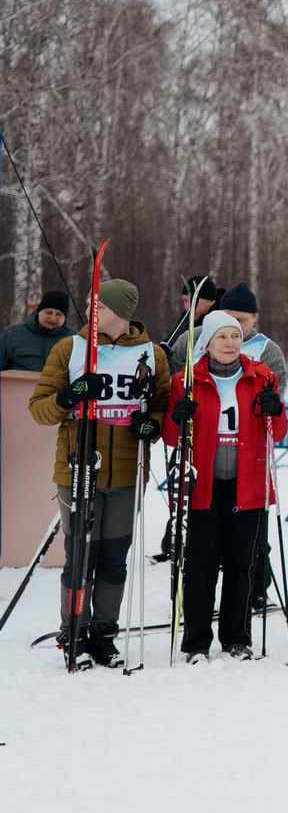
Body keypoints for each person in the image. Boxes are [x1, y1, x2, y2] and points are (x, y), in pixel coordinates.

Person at [28, 277, 169, 668]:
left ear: (123, 312)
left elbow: (162, 405)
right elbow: (39, 409)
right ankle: (73, 631)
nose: (92, 310)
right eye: (90, 302)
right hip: (78, 470)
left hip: (126, 474)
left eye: (100, 305)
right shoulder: (70, 348)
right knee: (80, 558)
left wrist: (151, 425)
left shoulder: (151, 353)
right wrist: (69, 395)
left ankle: (104, 633)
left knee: (113, 558)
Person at [162, 311, 287, 661]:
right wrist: (177, 416)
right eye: (222, 337)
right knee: (199, 564)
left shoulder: (262, 376)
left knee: (241, 564)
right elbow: (172, 439)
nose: (230, 343)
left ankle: (236, 637)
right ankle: (196, 641)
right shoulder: (186, 380)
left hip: (247, 484)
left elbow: (278, 433)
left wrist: (275, 410)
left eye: (235, 336)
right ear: (207, 343)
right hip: (203, 484)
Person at [1, 290, 70, 373]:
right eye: (48, 312)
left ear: (65, 317)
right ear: (39, 312)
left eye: (59, 314)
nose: (53, 318)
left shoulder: (76, 339)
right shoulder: (10, 335)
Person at [163, 274, 221, 361]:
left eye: (191, 300)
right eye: (185, 301)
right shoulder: (186, 320)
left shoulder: (221, 322)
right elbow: (168, 344)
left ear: (211, 301)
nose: (187, 307)